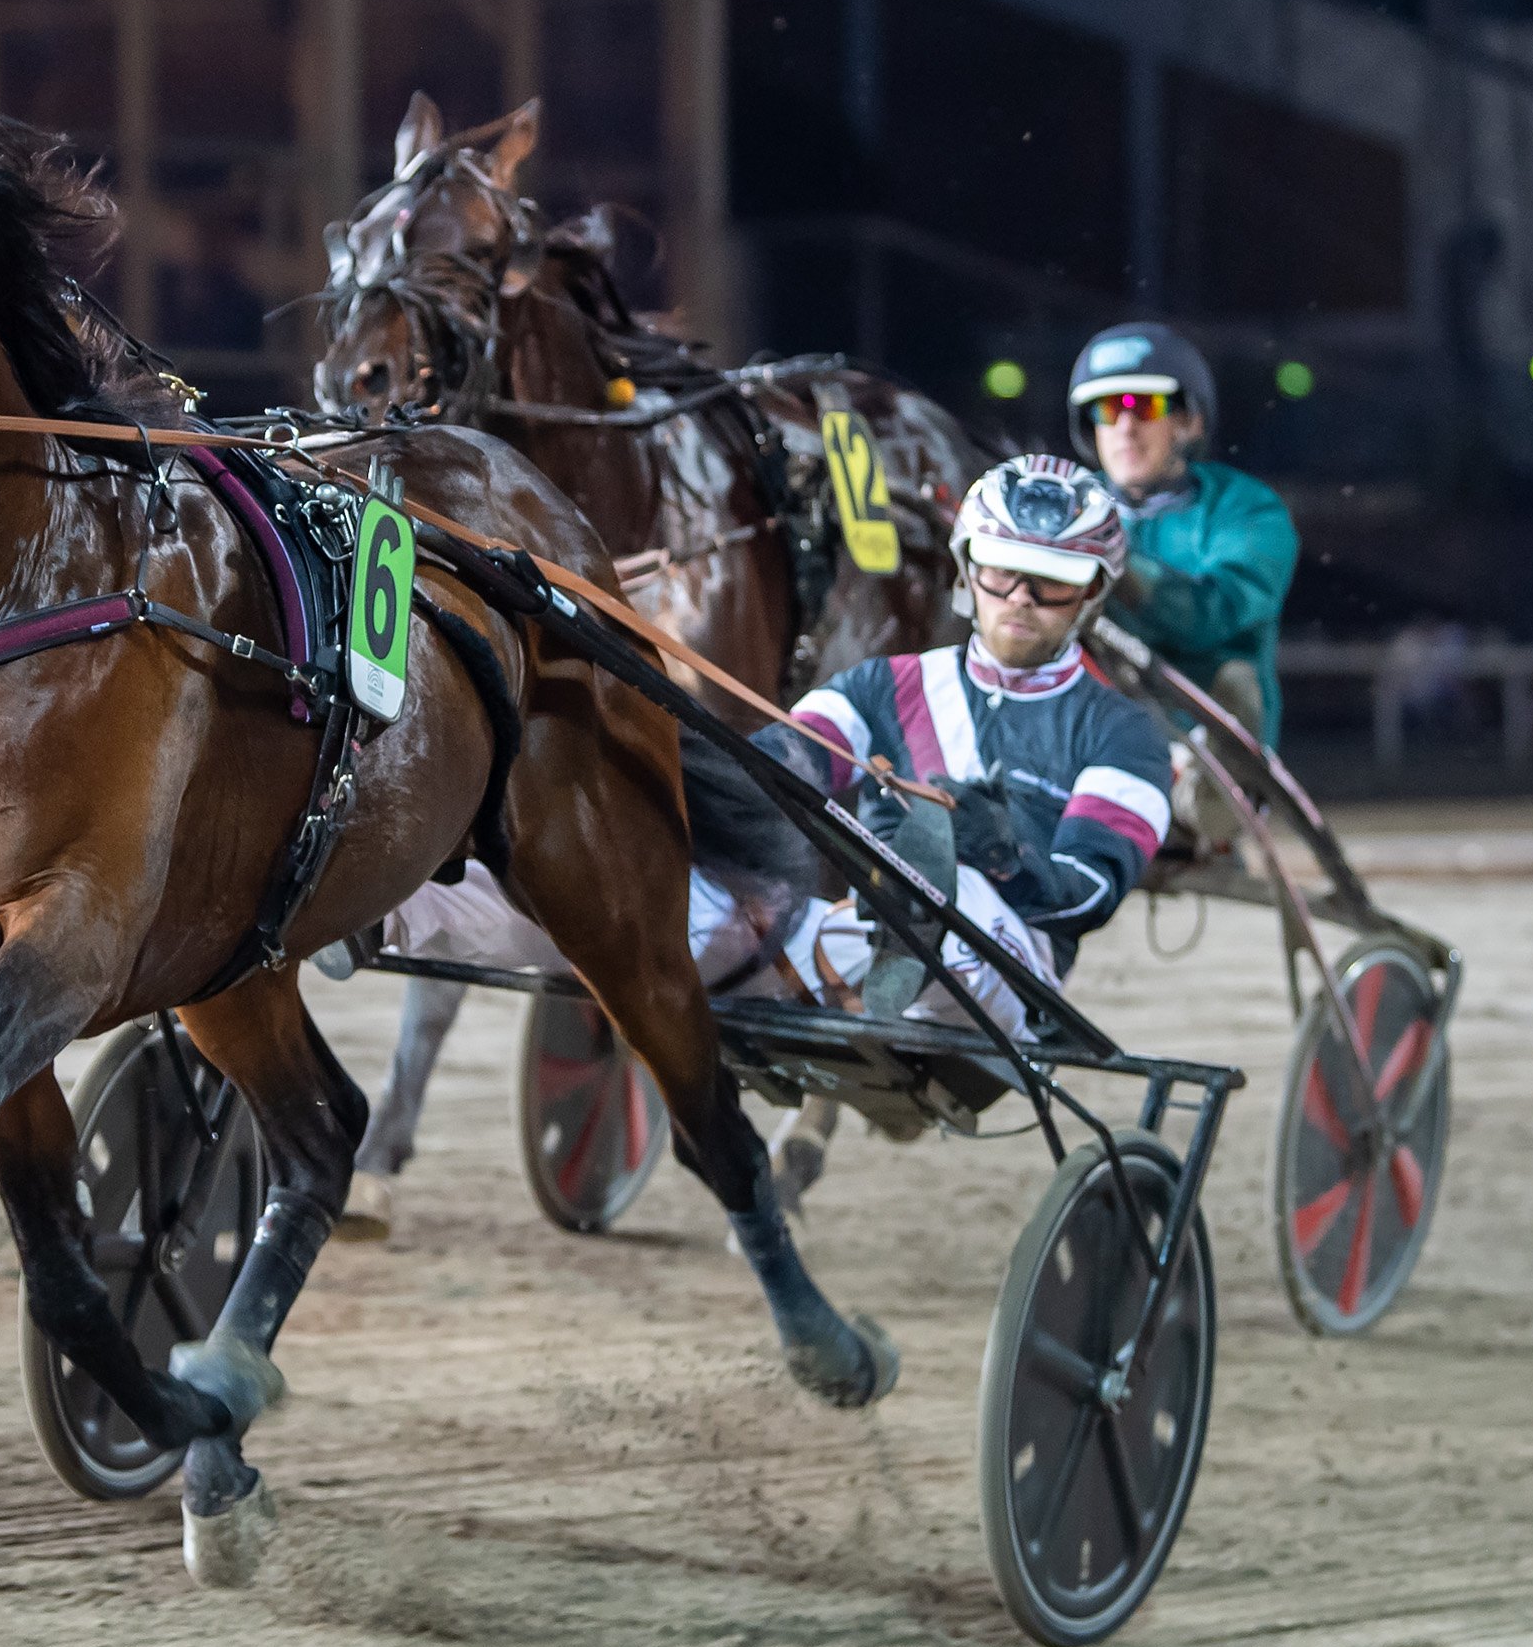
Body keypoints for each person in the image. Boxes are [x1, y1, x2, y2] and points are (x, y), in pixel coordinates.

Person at [361, 456, 1173, 1219]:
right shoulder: (882, 687)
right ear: (966, 570)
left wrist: (997, 846)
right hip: (819, 943)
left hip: (1003, 972)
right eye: (1000, 569)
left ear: (1092, 595)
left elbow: (1088, 894)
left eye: (1053, 582)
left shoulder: (1122, 735)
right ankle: (389, 903)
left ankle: (903, 923)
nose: (1020, 596)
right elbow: (781, 774)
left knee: (947, 891)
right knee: (618, 904)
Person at [1066, 323, 1298, 747]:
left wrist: (1117, 561)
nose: (1125, 428)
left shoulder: (1247, 509)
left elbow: (1213, 615)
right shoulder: (1067, 503)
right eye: (1108, 410)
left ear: (1190, 421)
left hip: (1199, 742)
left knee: (1236, 681)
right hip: (1090, 731)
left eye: (1143, 406)